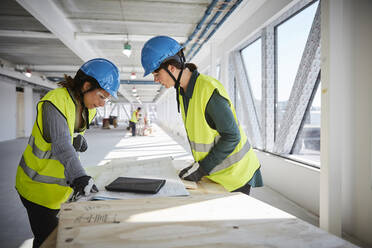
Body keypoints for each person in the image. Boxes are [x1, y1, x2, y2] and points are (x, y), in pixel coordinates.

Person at [15, 58, 120, 247]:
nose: (103, 104)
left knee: (56, 239)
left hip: (60, 191)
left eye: (107, 99)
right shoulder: (55, 101)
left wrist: (77, 139)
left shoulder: (88, 109)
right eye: (102, 96)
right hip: (37, 188)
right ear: (86, 86)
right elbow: (61, 144)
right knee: (50, 242)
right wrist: (80, 177)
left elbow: (68, 134)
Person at [141, 36, 263, 195]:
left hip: (236, 174)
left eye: (156, 74)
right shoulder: (182, 92)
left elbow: (232, 136)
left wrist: (202, 168)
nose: (156, 80)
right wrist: (199, 167)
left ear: (171, 68)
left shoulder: (208, 90)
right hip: (216, 174)